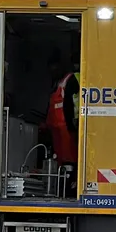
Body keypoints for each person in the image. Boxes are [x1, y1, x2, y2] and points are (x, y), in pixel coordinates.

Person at [43, 49, 80, 196]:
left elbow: (72, 105)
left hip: (66, 129)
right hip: (56, 130)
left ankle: (68, 189)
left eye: (54, 68)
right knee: (60, 160)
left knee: (69, 160)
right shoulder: (57, 83)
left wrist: (73, 126)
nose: (52, 71)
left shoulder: (70, 80)